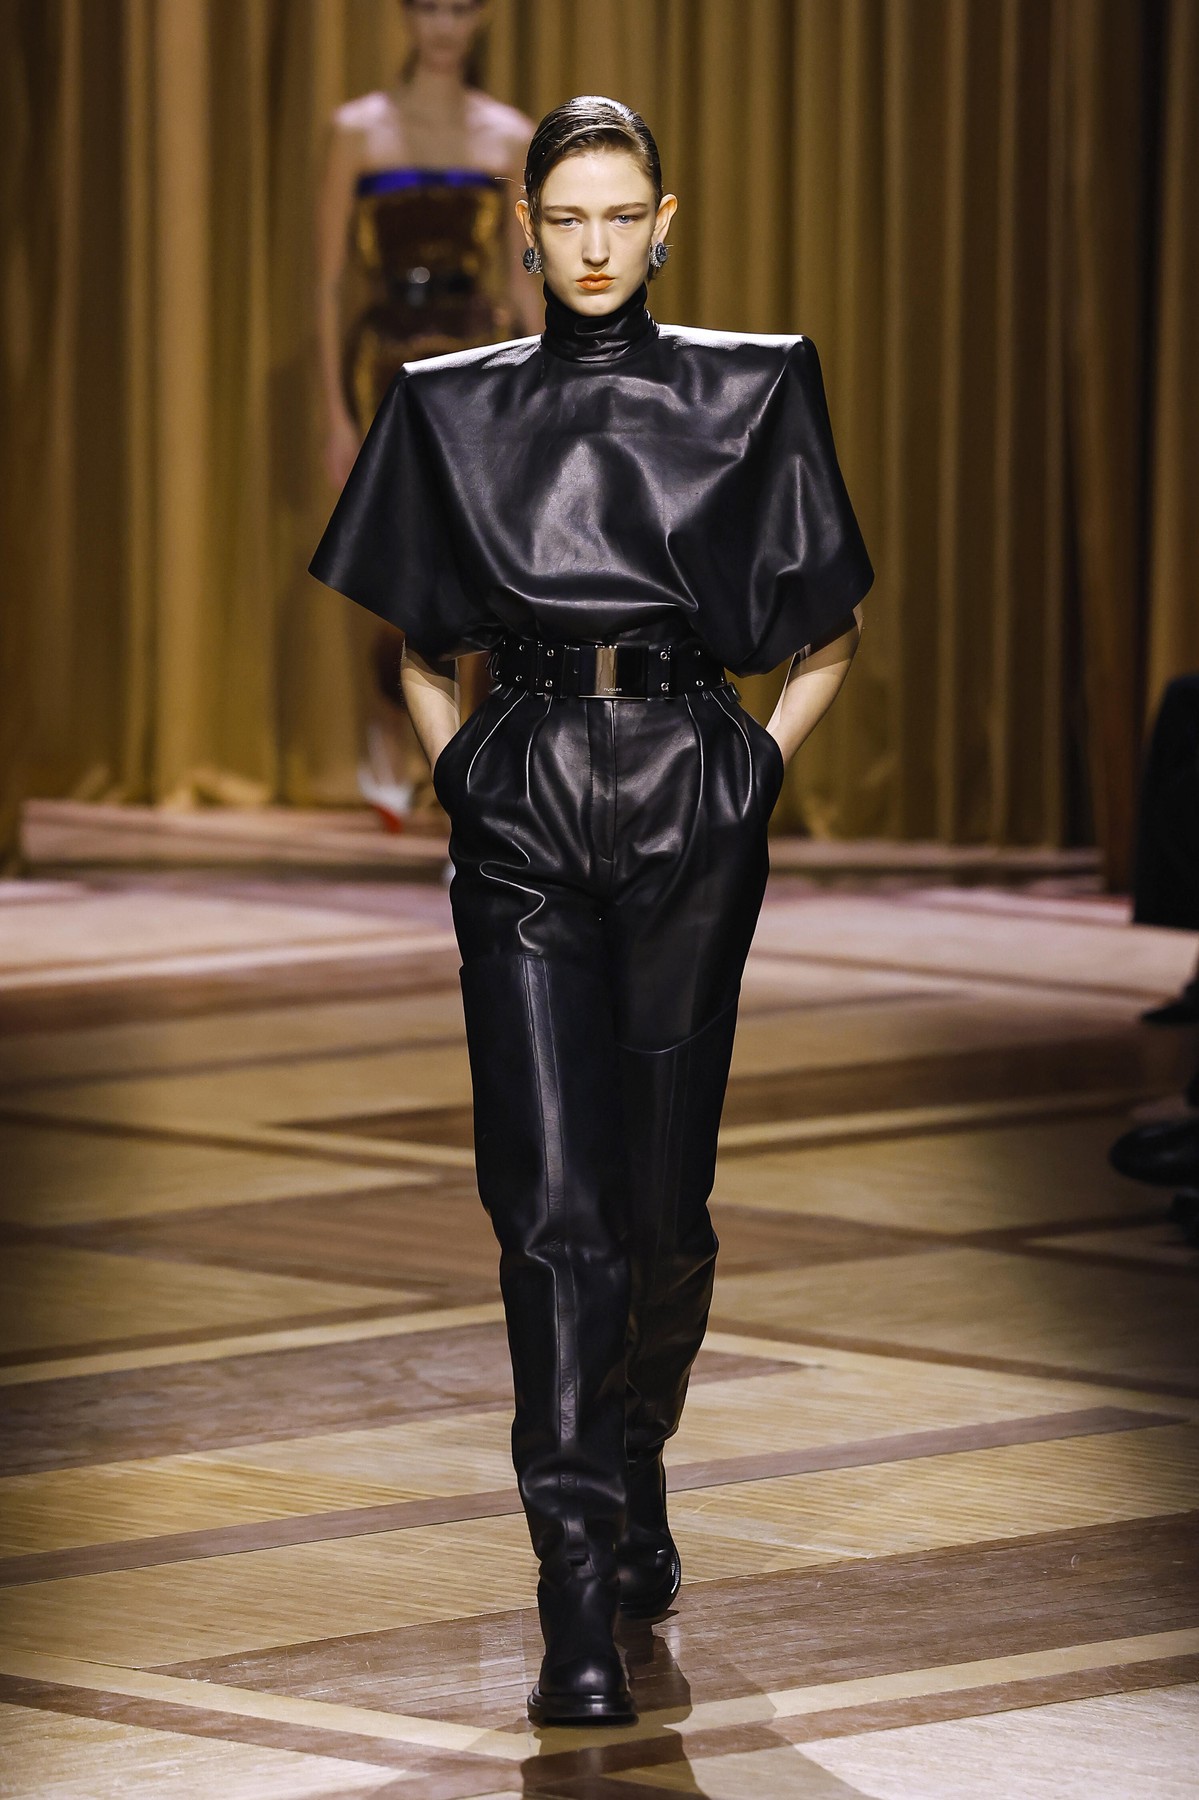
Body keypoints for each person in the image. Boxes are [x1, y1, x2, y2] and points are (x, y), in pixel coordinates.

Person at [310, 96, 873, 1728]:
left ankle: (631, 1460)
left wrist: (750, 772)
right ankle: (572, 1588)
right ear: (523, 228)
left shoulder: (751, 385)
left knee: (661, 1207)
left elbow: (827, 628)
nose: (595, 245)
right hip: (526, 798)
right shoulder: (449, 405)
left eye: (622, 215)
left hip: (691, 786)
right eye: (566, 218)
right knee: (548, 1208)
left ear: (664, 221)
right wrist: (464, 776)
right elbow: (417, 644)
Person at [316, 0, 541, 825]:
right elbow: (326, 282)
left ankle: (464, 765)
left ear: (482, 19)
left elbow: (521, 281)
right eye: (429, 7)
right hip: (386, 363)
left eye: (461, 8)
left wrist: (550, 393)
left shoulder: (509, 136)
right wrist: (334, 413)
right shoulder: (357, 130)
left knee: (477, 566)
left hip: (479, 362)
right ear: (404, 15)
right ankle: (389, 730)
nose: (444, 26)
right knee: (398, 567)